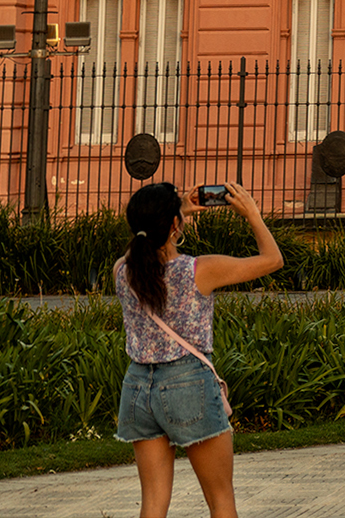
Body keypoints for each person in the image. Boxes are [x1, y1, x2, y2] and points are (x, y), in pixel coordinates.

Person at [114, 179, 280, 518]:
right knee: (220, 501)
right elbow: (272, 259)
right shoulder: (198, 270)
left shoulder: (122, 271)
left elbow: (141, 246)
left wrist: (174, 216)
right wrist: (252, 214)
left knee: (153, 504)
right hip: (187, 383)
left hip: (136, 388)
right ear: (174, 225)